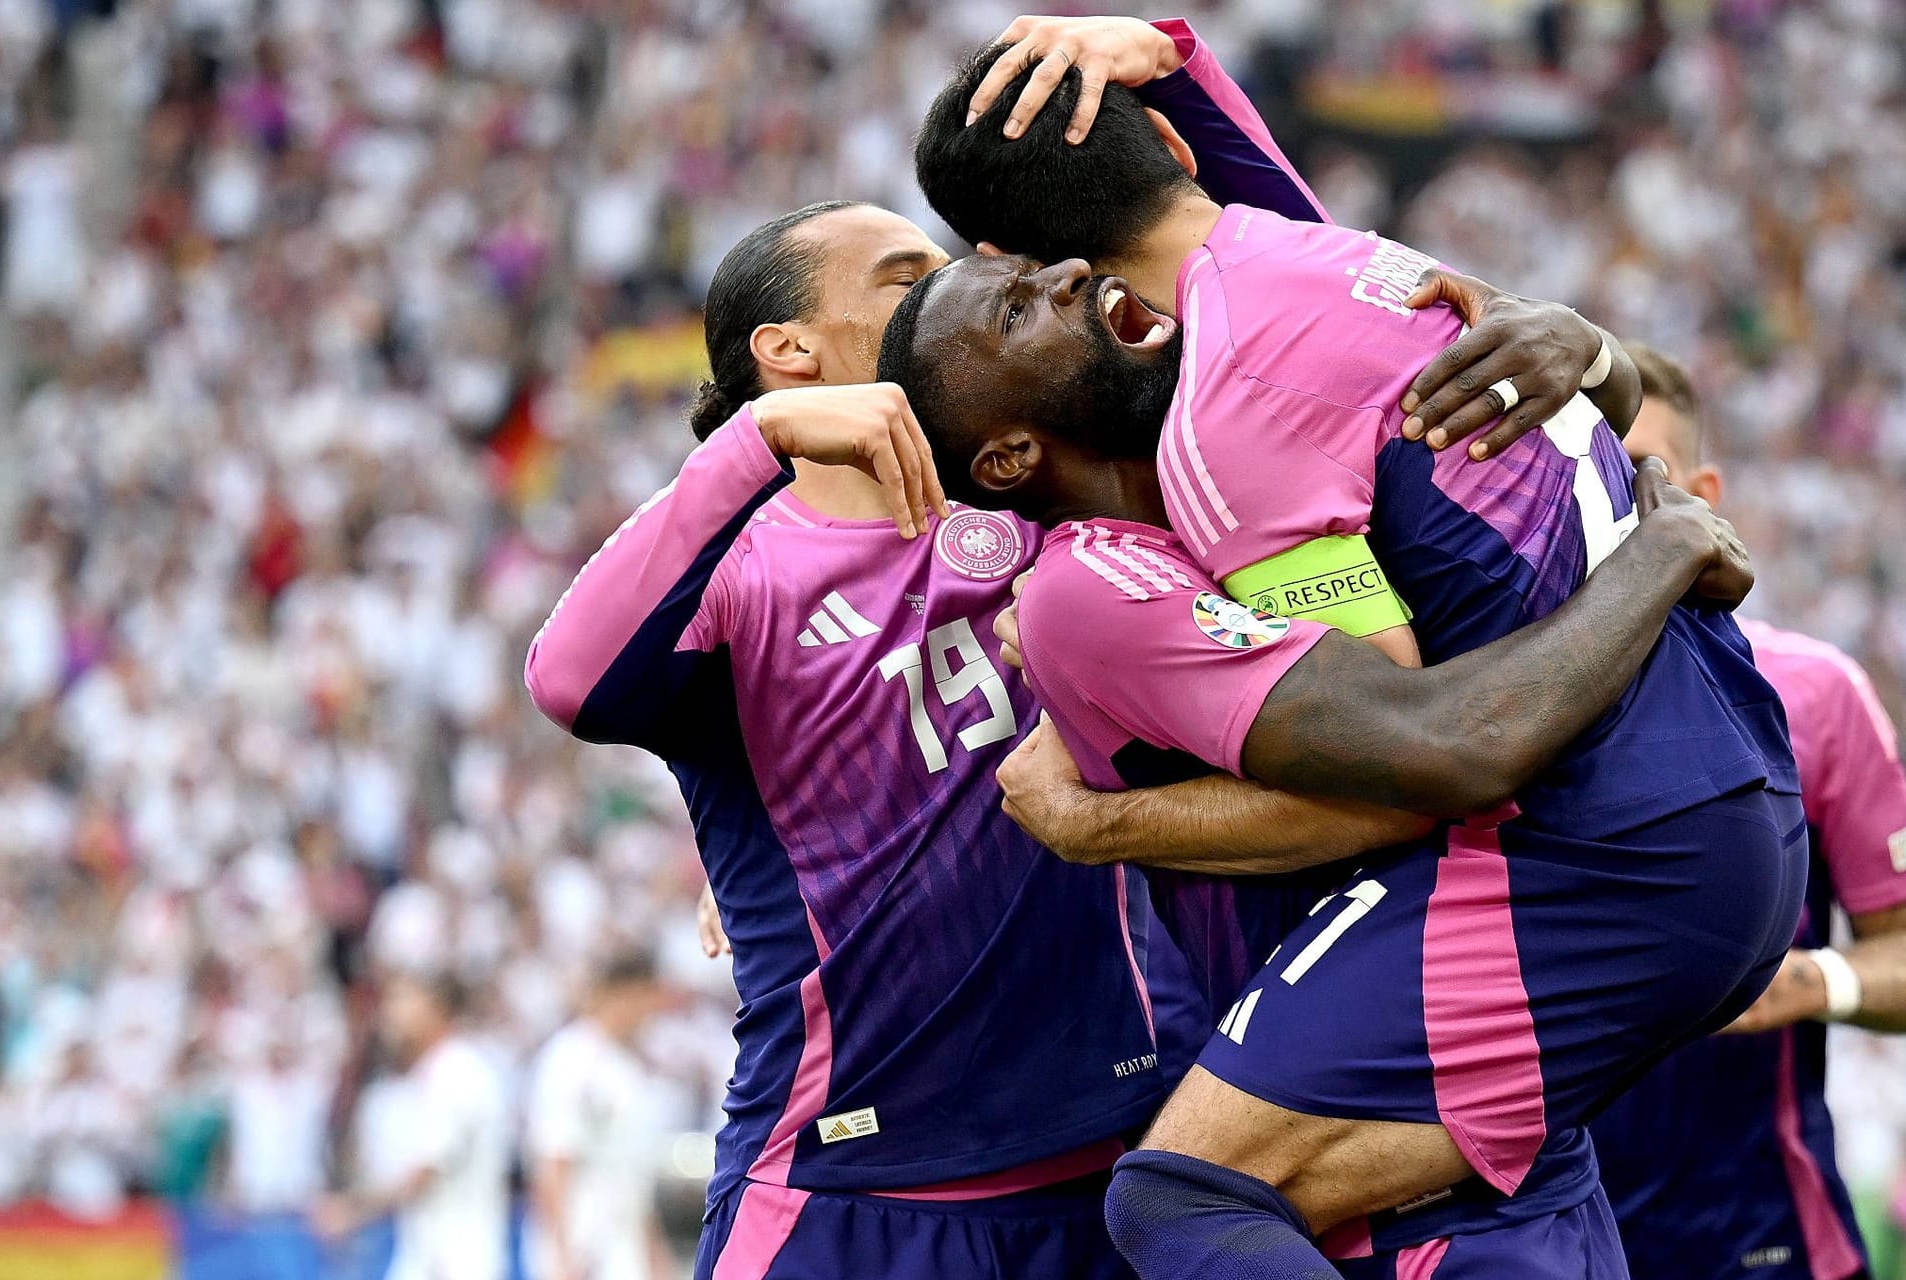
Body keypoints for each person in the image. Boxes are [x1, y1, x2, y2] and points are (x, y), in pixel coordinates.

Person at [524, 19, 1591, 1279]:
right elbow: (570, 677)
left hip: (1112, 1161)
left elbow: (1284, 294)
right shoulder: (747, 572)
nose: (959, 274)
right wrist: (755, 448)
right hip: (859, 1181)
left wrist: (1180, 69)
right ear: (788, 355)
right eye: (900, 273)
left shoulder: (1051, 505)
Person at [881, 42, 1806, 1278]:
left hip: (1589, 856)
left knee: (1178, 1198)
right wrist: (1604, 376)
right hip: (1699, 795)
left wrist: (1100, 825)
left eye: (1030, 272)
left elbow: (1433, 755)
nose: (1049, 283)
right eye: (1010, 300)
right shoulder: (1323, 266)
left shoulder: (1217, 424)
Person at [1588, 345, 1906, 1280]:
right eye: (1582, 468)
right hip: (1541, 1244)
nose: (1609, 501)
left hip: (1761, 1238)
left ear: (1706, 493)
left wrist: (1809, 983)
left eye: (1639, 466)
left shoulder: (1815, 694)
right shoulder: (1467, 713)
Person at [315, 972, 511, 1280]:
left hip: (461, 1260)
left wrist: (352, 1211)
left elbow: (424, 1173)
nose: (391, 1013)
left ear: (437, 1008)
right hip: (428, 1254)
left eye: (403, 1000)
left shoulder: (459, 1074)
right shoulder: (426, 1075)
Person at [527, 951, 682, 1280]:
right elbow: (554, 1162)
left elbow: (631, 1180)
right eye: (647, 996)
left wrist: (656, 1258)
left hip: (622, 1250)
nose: (652, 1010)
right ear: (622, 993)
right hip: (582, 1248)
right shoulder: (571, 1058)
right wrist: (562, 1255)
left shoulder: (625, 1066)